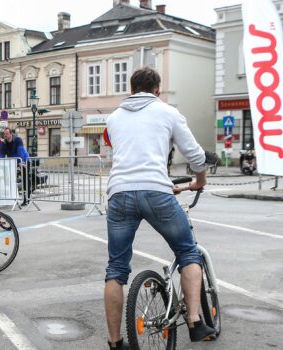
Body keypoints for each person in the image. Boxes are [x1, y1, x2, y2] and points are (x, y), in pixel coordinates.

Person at [104, 67, 215, 349]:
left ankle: (115, 342)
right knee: (188, 253)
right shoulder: (168, 112)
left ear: (131, 90)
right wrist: (198, 181)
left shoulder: (114, 118)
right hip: (156, 191)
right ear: (157, 90)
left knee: (115, 270)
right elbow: (196, 157)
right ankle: (194, 322)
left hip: (119, 193)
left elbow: (130, 153)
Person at [0, 127, 31, 205]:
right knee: (10, 179)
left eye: (7, 133)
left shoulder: (17, 140)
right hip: (14, 162)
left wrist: (21, 162)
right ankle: (13, 198)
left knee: (25, 180)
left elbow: (20, 151)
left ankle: (26, 199)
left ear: (11, 134)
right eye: (4, 134)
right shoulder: (4, 143)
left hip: (24, 160)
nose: (5, 135)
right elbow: (2, 155)